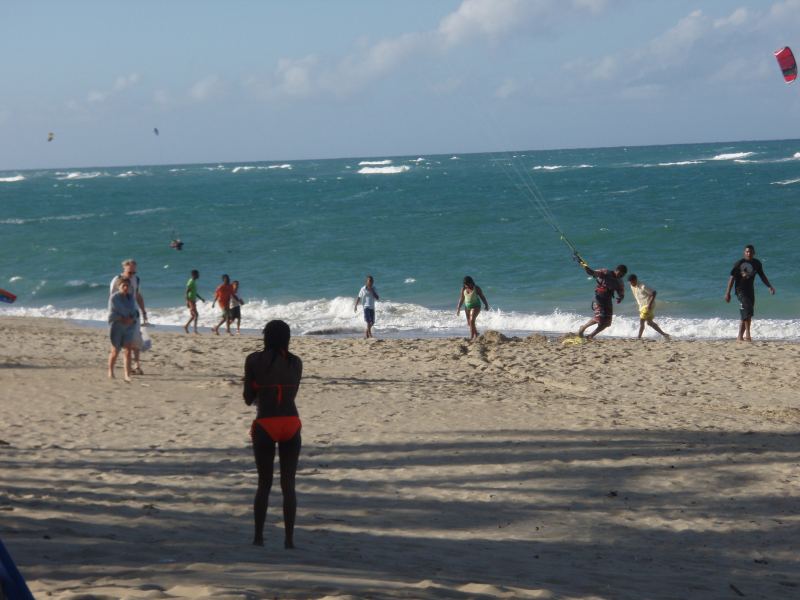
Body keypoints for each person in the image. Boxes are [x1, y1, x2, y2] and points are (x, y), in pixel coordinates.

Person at [243, 320, 303, 549]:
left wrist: (261, 392)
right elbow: (293, 393)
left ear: (265, 337)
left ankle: (258, 537)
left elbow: (248, 398)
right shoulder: (296, 362)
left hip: (266, 422)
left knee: (264, 483)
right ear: (287, 338)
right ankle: (289, 540)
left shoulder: (254, 360)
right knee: (289, 485)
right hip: (291, 422)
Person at [724, 244, 775, 342]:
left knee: (747, 313)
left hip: (750, 291)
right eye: (747, 252)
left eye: (751, 252)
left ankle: (739, 337)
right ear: (744, 253)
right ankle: (748, 334)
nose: (749, 253)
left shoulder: (757, 263)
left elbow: (762, 276)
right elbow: (732, 278)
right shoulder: (739, 263)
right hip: (740, 291)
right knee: (748, 309)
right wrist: (728, 293)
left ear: (754, 253)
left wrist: (769, 286)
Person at [109, 259, 148, 374]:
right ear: (124, 269)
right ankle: (122, 368)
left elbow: (137, 295)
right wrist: (116, 317)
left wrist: (143, 311)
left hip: (133, 313)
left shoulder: (136, 279)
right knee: (119, 344)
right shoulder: (116, 280)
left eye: (134, 272)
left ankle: (136, 365)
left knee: (136, 339)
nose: (132, 275)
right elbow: (112, 299)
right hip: (120, 316)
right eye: (130, 272)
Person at [577, 260, 627, 339]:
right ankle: (583, 327)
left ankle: (591, 335)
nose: (620, 276)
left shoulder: (619, 281)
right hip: (599, 297)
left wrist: (620, 297)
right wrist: (585, 266)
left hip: (608, 300)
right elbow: (592, 273)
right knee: (599, 317)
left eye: (622, 275)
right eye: (620, 274)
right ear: (616, 270)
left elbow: (621, 292)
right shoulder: (605, 272)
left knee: (607, 322)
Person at [108, 277, 138, 382]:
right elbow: (112, 313)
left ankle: (127, 374)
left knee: (128, 350)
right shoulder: (113, 298)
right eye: (123, 286)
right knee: (115, 351)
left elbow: (134, 311)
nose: (125, 288)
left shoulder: (131, 298)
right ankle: (110, 371)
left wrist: (132, 319)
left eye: (127, 286)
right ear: (118, 286)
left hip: (129, 326)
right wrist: (122, 318)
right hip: (117, 326)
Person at [627, 274, 670, 340]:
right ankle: (665, 334)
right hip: (642, 306)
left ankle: (639, 337)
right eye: (630, 282)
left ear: (635, 280)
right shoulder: (632, 286)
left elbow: (654, 292)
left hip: (647, 306)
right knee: (649, 323)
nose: (631, 283)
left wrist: (649, 304)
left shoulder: (643, 286)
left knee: (642, 321)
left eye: (632, 282)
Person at [456, 276, 490, 341]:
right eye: (466, 285)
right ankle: (476, 333)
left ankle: (471, 337)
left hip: (476, 306)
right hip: (467, 307)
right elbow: (462, 299)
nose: (467, 286)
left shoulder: (476, 288)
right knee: (470, 323)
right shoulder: (463, 289)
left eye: (468, 284)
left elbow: (482, 296)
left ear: (471, 282)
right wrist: (458, 308)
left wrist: (486, 305)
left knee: (472, 321)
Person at [184, 270, 205, 334]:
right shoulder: (191, 282)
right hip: (190, 300)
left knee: (193, 315)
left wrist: (201, 298)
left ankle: (186, 326)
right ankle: (195, 330)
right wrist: (187, 301)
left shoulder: (194, 282)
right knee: (196, 315)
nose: (199, 275)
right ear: (194, 275)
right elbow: (186, 292)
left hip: (193, 300)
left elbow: (195, 293)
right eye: (197, 274)